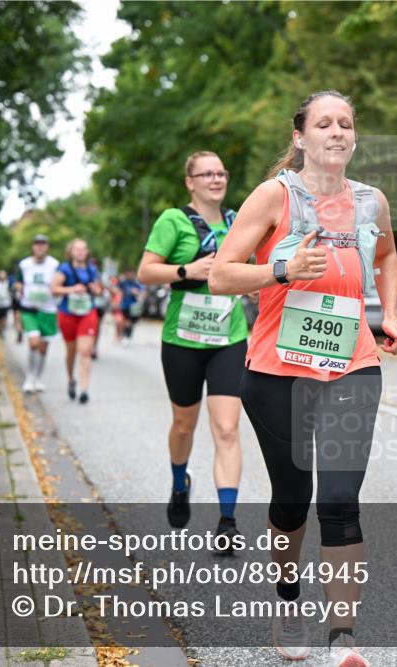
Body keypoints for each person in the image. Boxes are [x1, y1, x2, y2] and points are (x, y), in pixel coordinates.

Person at [208, 90, 397, 667]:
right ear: (301, 136)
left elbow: (388, 256)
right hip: (277, 370)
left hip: (354, 363)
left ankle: (342, 636)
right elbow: (221, 275)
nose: (337, 132)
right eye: (324, 123)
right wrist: (282, 269)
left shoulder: (371, 202)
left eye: (346, 123)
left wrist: (388, 311)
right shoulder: (275, 196)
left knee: (340, 500)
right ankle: (289, 595)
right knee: (292, 501)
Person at [137, 151, 247, 550]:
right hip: (182, 340)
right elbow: (146, 271)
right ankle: (179, 480)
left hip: (229, 339)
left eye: (221, 172)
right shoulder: (173, 220)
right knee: (184, 425)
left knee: (227, 428)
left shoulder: (238, 222)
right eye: (207, 174)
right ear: (190, 182)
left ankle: (228, 521)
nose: (216, 179)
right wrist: (188, 271)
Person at [51, 239, 103, 404]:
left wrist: (96, 290)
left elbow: (99, 291)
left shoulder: (92, 269)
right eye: (77, 249)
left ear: (87, 252)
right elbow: (54, 289)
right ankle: (71, 380)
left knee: (85, 351)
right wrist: (72, 289)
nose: (80, 252)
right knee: (71, 352)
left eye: (83, 249)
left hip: (88, 313)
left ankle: (84, 388)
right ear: (71, 252)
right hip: (68, 314)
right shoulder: (64, 268)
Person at [16, 234, 60, 393]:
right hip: (29, 309)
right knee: (33, 342)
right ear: (33, 247)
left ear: (47, 247)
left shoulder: (55, 265)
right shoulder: (24, 265)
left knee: (43, 347)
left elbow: (60, 283)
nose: (40, 247)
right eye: (37, 244)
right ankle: (29, 377)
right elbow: (18, 281)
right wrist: (18, 287)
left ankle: (38, 378)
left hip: (48, 309)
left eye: (43, 244)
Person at [117, 268, 144, 343]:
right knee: (124, 321)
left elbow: (142, 292)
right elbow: (118, 290)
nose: (129, 275)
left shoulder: (135, 283)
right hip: (124, 304)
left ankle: (127, 336)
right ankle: (123, 335)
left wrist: (137, 292)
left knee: (130, 322)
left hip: (133, 306)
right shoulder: (123, 283)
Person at [90, 258, 108, 360]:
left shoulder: (101, 276)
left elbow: (105, 289)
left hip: (99, 305)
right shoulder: (84, 273)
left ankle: (94, 347)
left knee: (96, 327)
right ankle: (89, 346)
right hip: (87, 305)